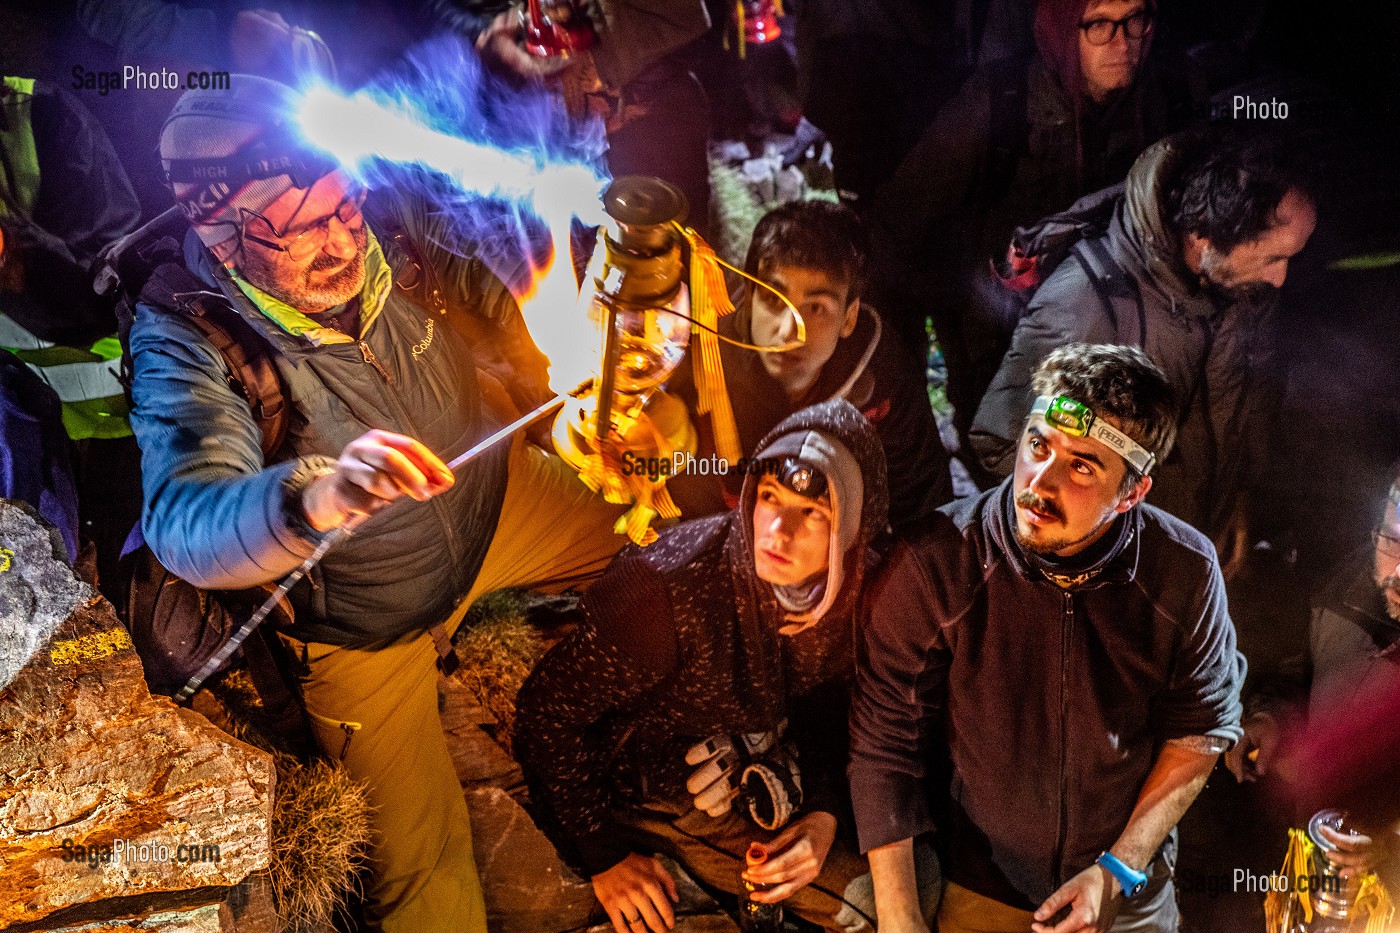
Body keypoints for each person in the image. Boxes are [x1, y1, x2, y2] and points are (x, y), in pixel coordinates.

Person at [127, 75, 627, 932]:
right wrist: (314, 497)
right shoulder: (189, 337)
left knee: (657, 560)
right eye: (305, 224)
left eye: (345, 206)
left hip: (495, 506)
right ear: (227, 227)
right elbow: (186, 516)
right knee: (427, 892)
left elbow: (477, 277)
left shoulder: (381, 226)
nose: (342, 236)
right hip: (361, 625)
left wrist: (539, 379)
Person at [850, 344, 1245, 933]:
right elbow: (884, 742)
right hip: (983, 882)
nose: (1040, 481)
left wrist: (1118, 870)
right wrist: (901, 918)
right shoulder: (937, 563)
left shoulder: (1183, 571)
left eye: (1082, 466)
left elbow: (1201, 729)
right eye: (1038, 446)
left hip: (1127, 892)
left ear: (1132, 493)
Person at [514, 399, 939, 933]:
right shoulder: (664, 595)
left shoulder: (852, 590)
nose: (777, 531)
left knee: (921, 869)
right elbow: (543, 713)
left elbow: (829, 697)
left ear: (852, 531)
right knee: (875, 903)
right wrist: (604, 856)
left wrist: (824, 812)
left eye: (813, 513)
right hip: (647, 781)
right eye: (769, 498)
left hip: (757, 747)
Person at [970, 131, 1316, 559]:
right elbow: (1000, 444)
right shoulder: (1085, 305)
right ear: (1204, 235)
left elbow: (1240, 410)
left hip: (1193, 547)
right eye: (1271, 258)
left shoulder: (1240, 287)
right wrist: (1111, 539)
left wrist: (1232, 503)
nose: (1280, 278)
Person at [865, 0, 1197, 413]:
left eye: (1135, 20)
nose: (1122, 42)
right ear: (1062, 28)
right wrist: (968, 300)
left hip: (1107, 340)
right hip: (998, 347)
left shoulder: (1161, 102)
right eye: (1098, 25)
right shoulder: (1000, 105)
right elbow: (897, 223)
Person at [668, 200, 953, 531]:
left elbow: (920, 495)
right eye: (773, 299)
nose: (789, 331)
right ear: (749, 296)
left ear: (848, 318)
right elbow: (686, 493)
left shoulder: (878, 370)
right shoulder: (702, 362)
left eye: (816, 308)